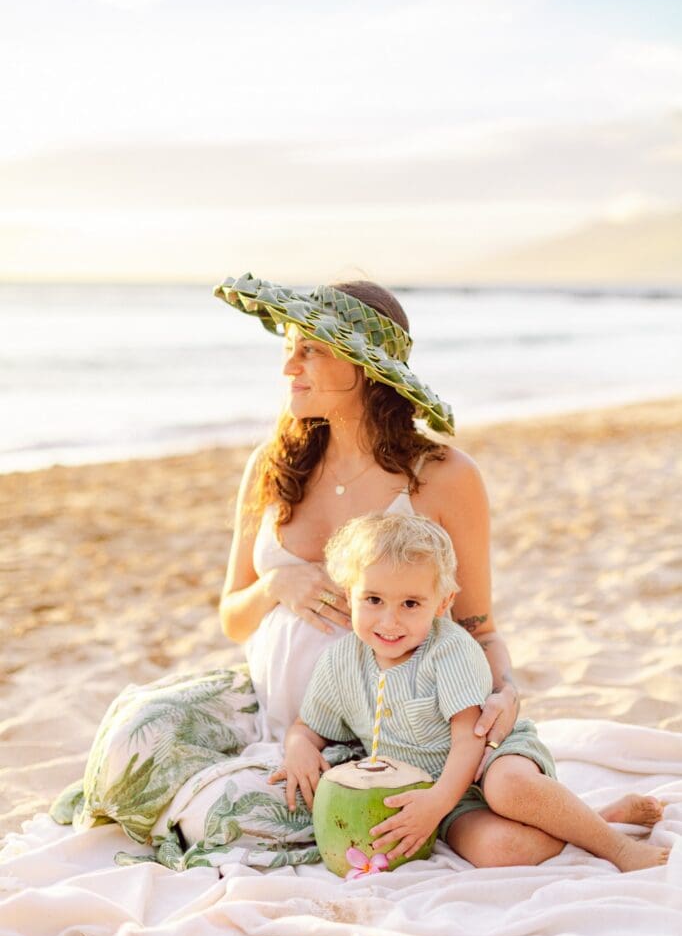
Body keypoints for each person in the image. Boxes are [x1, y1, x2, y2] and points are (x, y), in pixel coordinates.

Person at [52, 272, 626, 870]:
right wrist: (276, 585)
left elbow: (478, 625)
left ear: (364, 365)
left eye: (309, 350)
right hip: (272, 706)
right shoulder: (272, 465)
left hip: (383, 729)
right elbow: (232, 618)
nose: (288, 368)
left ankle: (551, 818)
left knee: (231, 816)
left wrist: (505, 690)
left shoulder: (444, 476)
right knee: (132, 734)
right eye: (288, 350)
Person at [277, 511, 668, 872]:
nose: (389, 620)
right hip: (441, 798)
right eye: (373, 599)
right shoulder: (340, 663)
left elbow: (470, 740)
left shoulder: (449, 649)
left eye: (410, 603)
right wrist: (299, 747)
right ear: (349, 595)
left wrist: (437, 802)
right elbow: (308, 727)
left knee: (507, 789)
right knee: (501, 851)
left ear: (442, 603)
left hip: (491, 758)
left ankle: (617, 847)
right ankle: (598, 819)